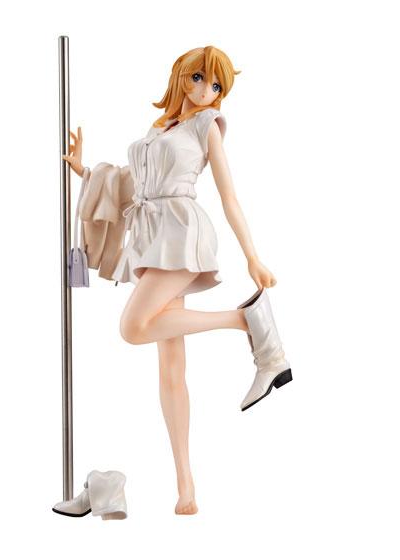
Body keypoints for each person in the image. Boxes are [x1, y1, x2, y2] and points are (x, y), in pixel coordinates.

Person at [63, 45, 291, 516]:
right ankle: (186, 487)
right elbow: (130, 183)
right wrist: (85, 171)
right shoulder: (161, 127)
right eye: (199, 79)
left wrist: (252, 256)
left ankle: (244, 321)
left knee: (133, 327)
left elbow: (228, 195)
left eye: (216, 85)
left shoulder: (206, 126)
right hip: (151, 239)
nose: (206, 91)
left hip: (181, 232)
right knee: (171, 369)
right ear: (181, 76)